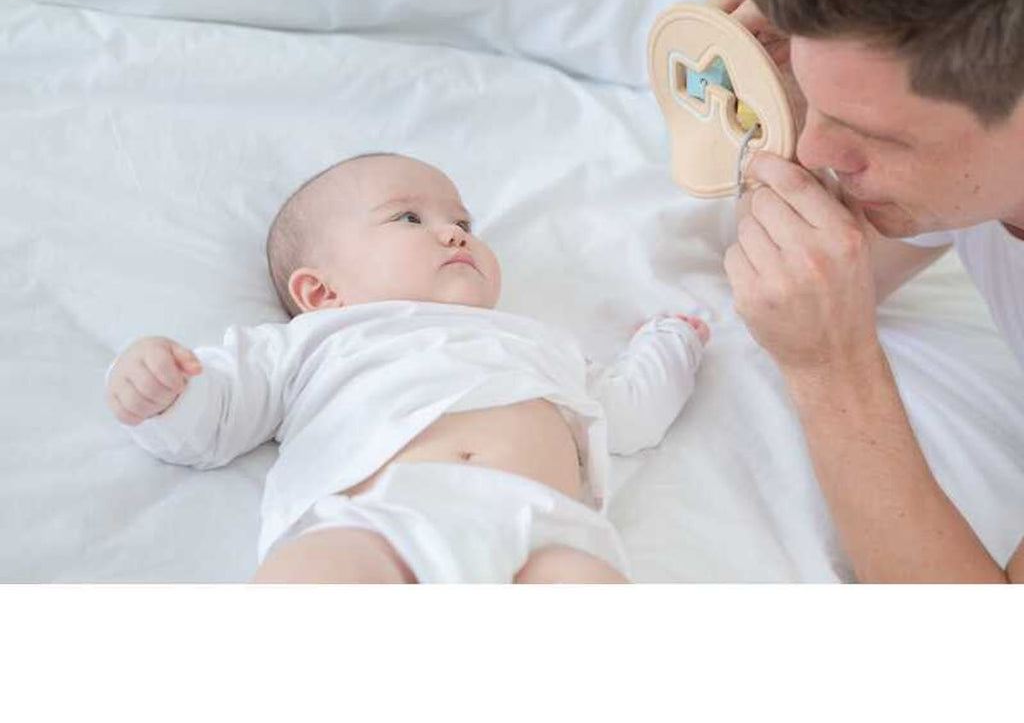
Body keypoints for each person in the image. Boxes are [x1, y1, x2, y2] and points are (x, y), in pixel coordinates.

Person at [105, 153, 708, 583]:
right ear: (320, 292)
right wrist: (164, 391)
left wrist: (672, 342)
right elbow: (219, 413)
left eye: (464, 224)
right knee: (319, 579)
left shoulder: (541, 342)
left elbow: (629, 412)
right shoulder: (316, 341)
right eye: (409, 219)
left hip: (544, 532)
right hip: (376, 522)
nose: (453, 233)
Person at [714, 0, 1024, 583]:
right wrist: (787, 104)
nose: (816, 147)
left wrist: (834, 370)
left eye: (878, 135)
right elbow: (841, 272)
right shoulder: (978, 170)